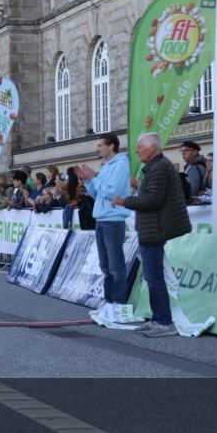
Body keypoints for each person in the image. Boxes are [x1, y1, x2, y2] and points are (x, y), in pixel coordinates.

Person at [114, 133, 192, 338]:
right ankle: (158, 318)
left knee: (155, 278)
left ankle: (165, 322)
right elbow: (154, 195)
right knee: (152, 277)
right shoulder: (157, 168)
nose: (137, 150)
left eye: (140, 147)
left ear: (153, 148)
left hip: (154, 229)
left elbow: (153, 200)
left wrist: (125, 201)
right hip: (152, 228)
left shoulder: (159, 168)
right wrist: (139, 186)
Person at [76, 134, 133, 322]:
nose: (97, 148)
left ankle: (117, 303)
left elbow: (112, 192)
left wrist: (95, 177)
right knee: (106, 266)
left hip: (113, 220)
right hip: (101, 220)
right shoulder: (106, 166)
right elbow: (97, 193)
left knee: (116, 266)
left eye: (100, 145)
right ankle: (109, 302)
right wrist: (88, 180)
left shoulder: (120, 165)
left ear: (112, 146)